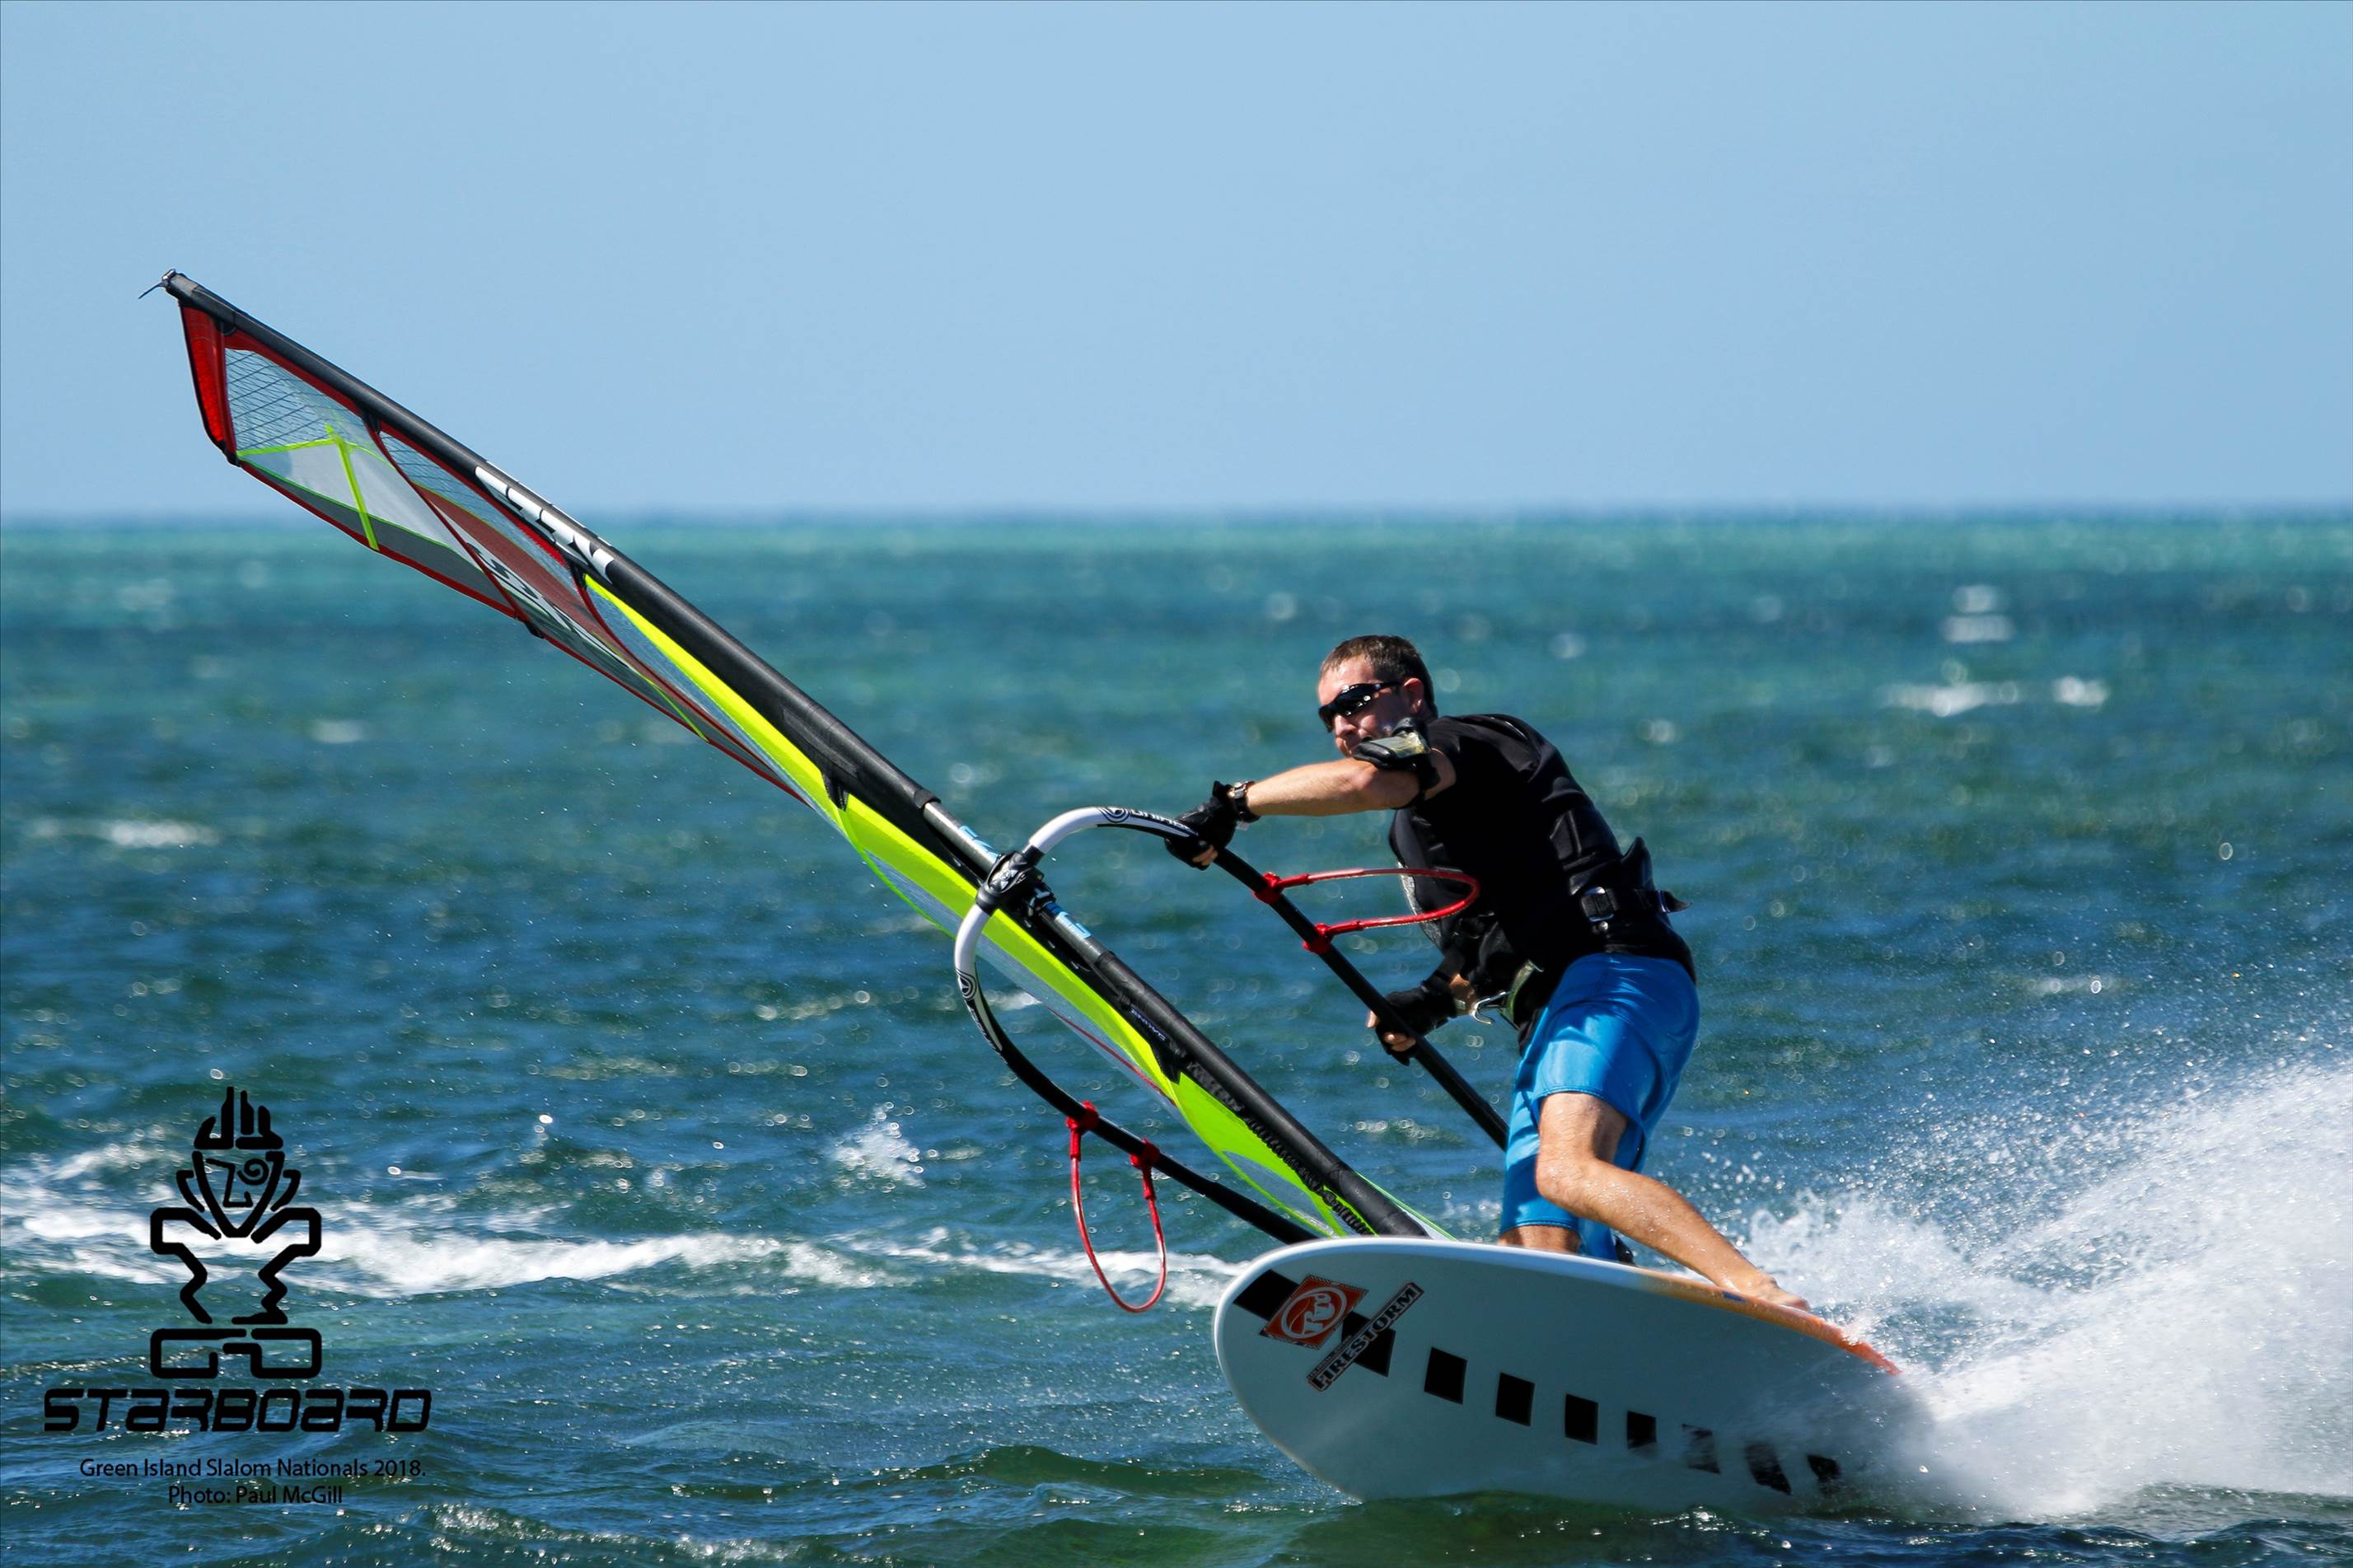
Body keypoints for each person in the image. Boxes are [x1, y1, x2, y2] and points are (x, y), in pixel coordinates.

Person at [1165, 634, 1808, 1312]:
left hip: (1613, 974)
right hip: (1558, 1012)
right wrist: (1431, 1001)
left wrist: (1235, 802)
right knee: (1536, 1245)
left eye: (1354, 703)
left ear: (1412, 694)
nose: (1342, 726)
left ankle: (1761, 1293)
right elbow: (1486, 947)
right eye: (1328, 717)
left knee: (1567, 1171)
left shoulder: (1469, 742)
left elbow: (1367, 781)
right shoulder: (1418, 831)